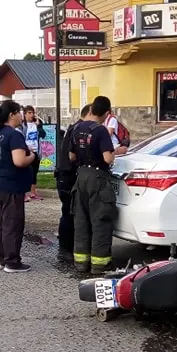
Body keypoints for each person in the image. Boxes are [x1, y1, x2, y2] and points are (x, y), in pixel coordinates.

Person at [0, 101, 37, 273]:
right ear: (12, 114)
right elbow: (19, 161)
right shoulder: (14, 134)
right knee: (13, 225)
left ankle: (3, 259)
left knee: (2, 223)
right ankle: (12, 262)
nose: (21, 116)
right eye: (19, 113)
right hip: (11, 186)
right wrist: (32, 155)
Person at [70, 96, 116, 274]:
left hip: (80, 177)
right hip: (98, 178)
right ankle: (99, 264)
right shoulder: (101, 131)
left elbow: (72, 157)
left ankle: (81, 263)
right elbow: (108, 158)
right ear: (106, 113)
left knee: (81, 220)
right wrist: (114, 155)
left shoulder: (77, 128)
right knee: (100, 221)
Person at [54, 105, 90, 262]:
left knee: (70, 212)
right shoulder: (78, 130)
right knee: (69, 212)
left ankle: (68, 247)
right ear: (88, 114)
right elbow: (73, 156)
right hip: (68, 175)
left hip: (64, 174)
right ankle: (65, 248)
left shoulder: (73, 128)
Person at [21, 106, 45, 201]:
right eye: (29, 113)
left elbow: (43, 135)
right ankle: (23, 193)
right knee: (25, 172)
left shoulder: (37, 124)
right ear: (25, 114)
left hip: (36, 151)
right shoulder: (23, 125)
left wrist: (39, 126)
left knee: (34, 172)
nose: (31, 115)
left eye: (32, 113)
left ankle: (33, 193)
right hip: (27, 151)